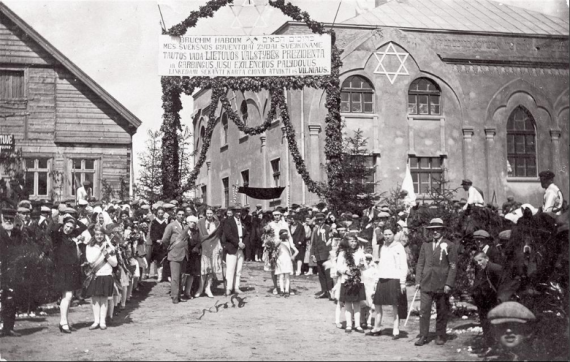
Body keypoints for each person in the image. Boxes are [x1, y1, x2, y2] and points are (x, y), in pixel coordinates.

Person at [414, 218, 458, 346]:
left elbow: (453, 266)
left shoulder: (449, 245)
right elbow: (420, 264)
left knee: (442, 311)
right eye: (433, 230)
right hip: (426, 283)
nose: (435, 232)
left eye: (438, 229)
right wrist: (418, 280)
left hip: (442, 284)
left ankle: (440, 335)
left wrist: (448, 284)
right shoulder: (425, 245)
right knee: (424, 311)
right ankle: (423, 335)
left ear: (443, 231)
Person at [368, 228, 408, 339]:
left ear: (394, 235)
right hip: (382, 279)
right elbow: (380, 264)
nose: (387, 236)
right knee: (377, 304)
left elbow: (403, 265)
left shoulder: (399, 247)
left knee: (395, 305)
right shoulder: (382, 247)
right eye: (385, 234)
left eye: (389, 234)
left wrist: (403, 281)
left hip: (394, 279)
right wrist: (376, 279)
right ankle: (377, 327)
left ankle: (396, 329)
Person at [52, 215, 87, 333]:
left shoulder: (71, 235)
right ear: (63, 226)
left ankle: (64, 321)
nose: (69, 229)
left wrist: (73, 219)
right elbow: (51, 229)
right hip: (62, 269)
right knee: (67, 296)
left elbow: (84, 226)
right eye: (67, 226)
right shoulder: (58, 236)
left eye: (71, 228)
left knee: (68, 297)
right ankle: (63, 322)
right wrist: (62, 220)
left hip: (72, 269)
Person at [84, 225, 117, 330]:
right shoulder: (89, 246)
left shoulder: (109, 246)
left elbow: (115, 263)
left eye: (101, 234)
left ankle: (102, 321)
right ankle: (96, 321)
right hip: (96, 275)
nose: (99, 236)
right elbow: (91, 260)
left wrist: (107, 254)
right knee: (95, 299)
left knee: (104, 299)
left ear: (104, 235)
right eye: (97, 234)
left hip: (106, 274)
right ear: (94, 234)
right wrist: (100, 251)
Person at [471, 252, 502, 357]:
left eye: (480, 260)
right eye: (476, 261)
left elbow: (503, 283)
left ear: (487, 258)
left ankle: (494, 347)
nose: (478, 263)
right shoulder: (480, 269)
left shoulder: (495, 268)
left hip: (492, 301)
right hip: (482, 301)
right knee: (485, 324)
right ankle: (488, 345)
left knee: (492, 324)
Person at [336, 234, 367, 333]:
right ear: (346, 242)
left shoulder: (360, 253)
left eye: (355, 241)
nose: (353, 243)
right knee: (348, 303)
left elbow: (365, 266)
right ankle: (349, 324)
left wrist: (362, 266)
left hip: (358, 280)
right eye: (351, 241)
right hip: (347, 281)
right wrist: (346, 271)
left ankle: (357, 324)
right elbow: (339, 267)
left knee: (357, 303)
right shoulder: (342, 253)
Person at [0, 208, 22, 337]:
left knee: (11, 298)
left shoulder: (17, 233)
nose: (8, 221)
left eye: (11, 219)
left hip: (13, 269)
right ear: (2, 218)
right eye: (6, 218)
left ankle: (9, 327)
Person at [161, 208, 189, 304]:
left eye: (182, 214)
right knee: (175, 277)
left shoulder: (185, 226)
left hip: (184, 254)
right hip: (174, 254)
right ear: (176, 215)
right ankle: (174, 296)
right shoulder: (171, 226)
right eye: (179, 214)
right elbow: (164, 239)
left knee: (182, 277)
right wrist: (171, 247)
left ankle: (179, 295)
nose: (181, 216)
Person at [221, 205, 248, 296]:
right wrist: (237, 243)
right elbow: (228, 235)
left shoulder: (243, 222)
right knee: (230, 269)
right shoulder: (228, 221)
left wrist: (244, 243)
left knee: (239, 269)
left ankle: (236, 287)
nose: (238, 213)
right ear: (233, 212)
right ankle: (229, 288)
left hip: (241, 247)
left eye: (240, 211)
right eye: (236, 211)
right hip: (232, 247)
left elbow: (247, 234)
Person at [197, 208, 221, 298]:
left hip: (214, 247)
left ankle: (208, 288)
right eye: (207, 213)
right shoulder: (200, 222)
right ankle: (200, 288)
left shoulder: (217, 223)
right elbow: (199, 235)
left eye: (211, 213)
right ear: (205, 214)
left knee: (211, 269)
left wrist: (219, 246)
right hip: (204, 247)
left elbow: (218, 236)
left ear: (213, 214)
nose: (209, 215)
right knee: (204, 269)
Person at [310, 213, 333, 300]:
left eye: (321, 220)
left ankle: (330, 292)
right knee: (321, 275)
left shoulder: (328, 228)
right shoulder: (316, 230)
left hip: (326, 254)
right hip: (318, 254)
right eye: (318, 220)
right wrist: (313, 254)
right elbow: (313, 243)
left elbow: (330, 242)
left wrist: (331, 254)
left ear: (324, 220)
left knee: (328, 274)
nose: (319, 221)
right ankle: (324, 291)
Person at [274, 229, 298, 297]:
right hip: (280, 260)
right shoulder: (278, 242)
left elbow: (296, 251)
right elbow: (274, 250)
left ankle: (287, 290)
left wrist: (293, 256)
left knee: (287, 276)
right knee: (281, 276)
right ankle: (282, 290)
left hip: (287, 260)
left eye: (286, 234)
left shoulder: (289, 243)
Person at [184, 216, 203, 299]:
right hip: (185, 255)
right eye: (190, 222)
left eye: (194, 222)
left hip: (193, 255)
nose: (192, 224)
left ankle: (188, 292)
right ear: (187, 223)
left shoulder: (196, 232)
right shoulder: (184, 231)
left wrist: (197, 247)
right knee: (183, 274)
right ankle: (181, 290)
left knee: (192, 274)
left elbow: (200, 241)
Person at [149, 207, 168, 281]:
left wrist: (164, 240)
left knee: (165, 259)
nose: (160, 214)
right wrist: (156, 240)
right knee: (158, 259)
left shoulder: (166, 221)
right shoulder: (154, 222)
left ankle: (165, 275)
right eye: (159, 213)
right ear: (157, 213)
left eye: (162, 213)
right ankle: (159, 275)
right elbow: (152, 233)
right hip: (157, 243)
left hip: (164, 242)